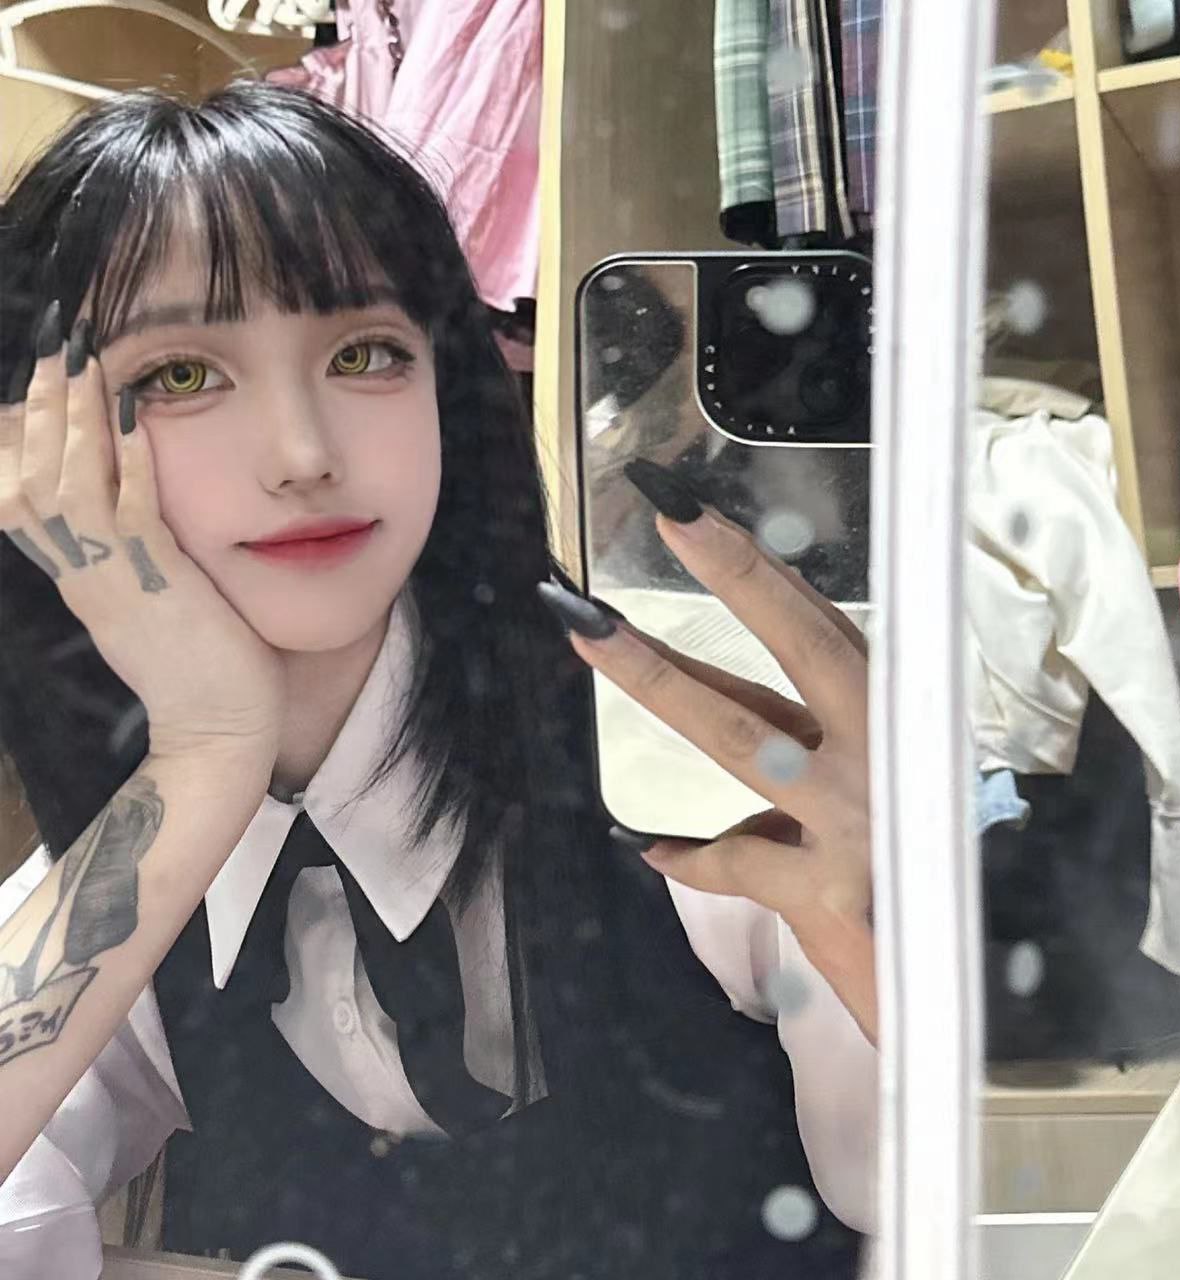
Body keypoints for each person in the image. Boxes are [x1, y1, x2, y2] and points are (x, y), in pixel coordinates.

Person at [0, 82, 878, 1279]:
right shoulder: (128, 872)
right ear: (37, 460)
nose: (304, 454)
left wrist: (893, 938)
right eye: (185, 374)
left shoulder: (673, 759)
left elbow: (930, 1197)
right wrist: (206, 750)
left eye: (364, 353)